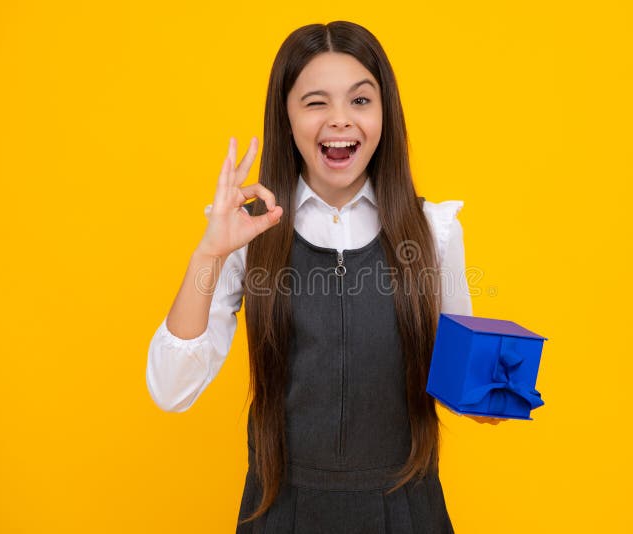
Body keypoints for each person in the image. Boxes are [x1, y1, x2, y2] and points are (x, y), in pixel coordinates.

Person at [146, 20, 506, 533]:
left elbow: (460, 376)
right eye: (316, 102)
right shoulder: (247, 232)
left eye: (360, 101)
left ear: (385, 113)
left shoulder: (433, 230)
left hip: (405, 512)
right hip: (283, 511)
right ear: (286, 116)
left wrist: (490, 398)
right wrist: (210, 250)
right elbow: (171, 389)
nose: (341, 120)